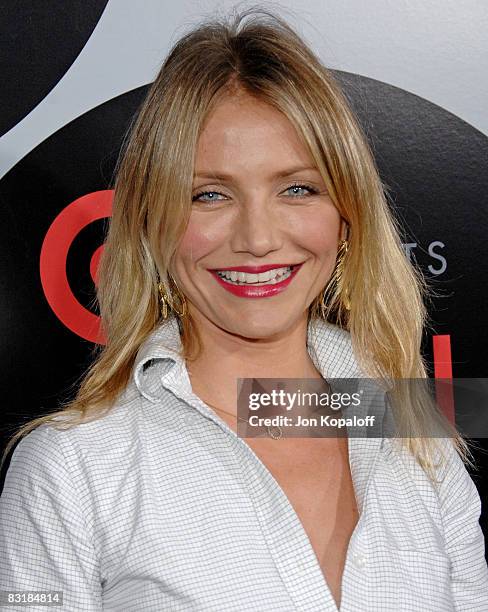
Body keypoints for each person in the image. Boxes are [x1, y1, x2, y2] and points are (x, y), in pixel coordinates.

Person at [1, 7, 487, 612]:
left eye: (297, 188)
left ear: (346, 215)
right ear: (153, 223)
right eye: (209, 194)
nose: (258, 238)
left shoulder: (411, 423)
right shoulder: (71, 468)